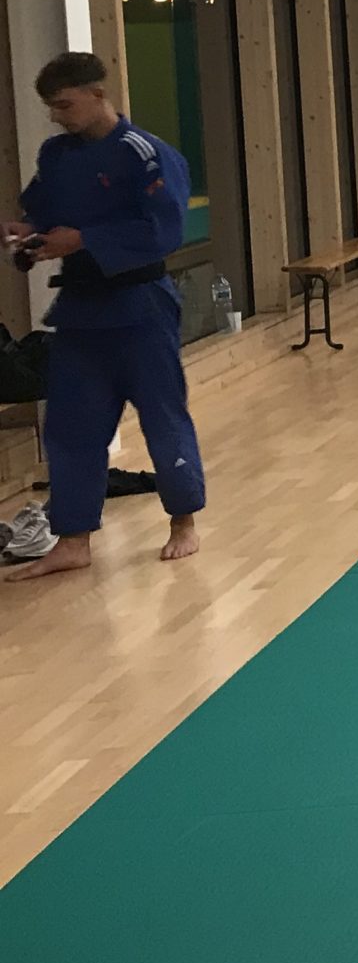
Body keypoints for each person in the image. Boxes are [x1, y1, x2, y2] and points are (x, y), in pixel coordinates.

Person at [2, 51, 207, 582]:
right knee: (71, 426)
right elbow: (43, 211)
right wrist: (27, 231)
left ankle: (183, 521)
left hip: (141, 305)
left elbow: (163, 232)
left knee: (162, 416)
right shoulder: (57, 154)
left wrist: (85, 240)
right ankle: (72, 540)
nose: (57, 116)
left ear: (97, 94)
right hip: (81, 309)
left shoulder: (146, 154)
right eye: (51, 107)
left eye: (65, 104)